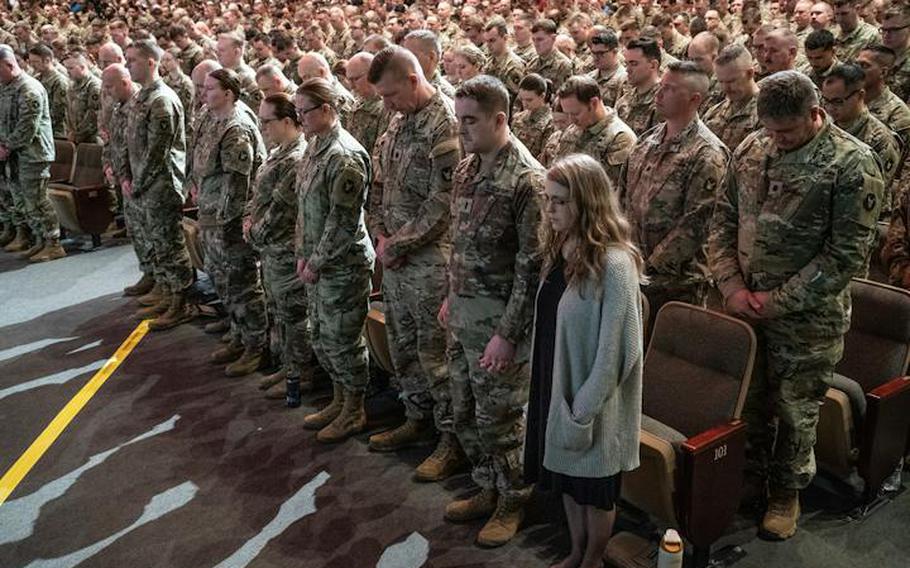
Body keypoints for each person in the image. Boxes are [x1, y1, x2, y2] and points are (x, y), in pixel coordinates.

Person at [709, 70, 884, 540]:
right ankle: (749, 480)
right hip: (745, 305)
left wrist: (776, 300)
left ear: (815, 113)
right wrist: (730, 285)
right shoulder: (751, 148)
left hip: (808, 319)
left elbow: (845, 256)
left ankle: (786, 492)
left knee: (794, 409)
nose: (777, 140)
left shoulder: (852, 164)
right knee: (748, 401)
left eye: (786, 132)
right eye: (770, 129)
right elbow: (723, 218)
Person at [527, 153, 644, 568]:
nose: (550, 209)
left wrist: (582, 410)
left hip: (593, 402)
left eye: (560, 201)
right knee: (567, 482)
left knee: (595, 491)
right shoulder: (561, 249)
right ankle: (576, 550)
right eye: (548, 199)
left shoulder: (615, 263)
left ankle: (592, 559)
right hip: (557, 386)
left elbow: (618, 351)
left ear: (588, 202)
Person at [441, 75, 544, 548]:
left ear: (500, 119)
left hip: (500, 325)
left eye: (470, 121)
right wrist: (450, 295)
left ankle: (514, 499)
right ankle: (487, 486)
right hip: (464, 313)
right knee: (464, 408)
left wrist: (509, 333)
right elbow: (459, 242)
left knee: (500, 421)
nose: (461, 129)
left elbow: (532, 267)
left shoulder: (527, 181)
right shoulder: (468, 168)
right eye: (459, 119)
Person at [367, 46, 466, 479]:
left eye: (390, 95)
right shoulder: (398, 118)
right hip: (396, 257)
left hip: (430, 262)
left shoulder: (445, 123)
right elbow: (379, 181)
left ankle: (450, 441)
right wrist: (379, 232)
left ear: (413, 79)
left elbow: (444, 203)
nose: (386, 104)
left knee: (435, 355)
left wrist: (399, 243)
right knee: (403, 346)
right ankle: (416, 418)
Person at [294, 78, 375, 442]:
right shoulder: (314, 148)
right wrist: (301, 253)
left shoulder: (343, 155)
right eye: (296, 112)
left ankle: (354, 409)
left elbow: (341, 222)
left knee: (343, 340)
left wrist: (316, 261)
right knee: (324, 337)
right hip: (317, 261)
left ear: (327, 110)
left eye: (304, 112)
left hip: (342, 263)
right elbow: (304, 209)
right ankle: (340, 398)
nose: (300, 119)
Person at [620, 61, 729, 319]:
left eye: (669, 89)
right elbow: (623, 198)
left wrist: (646, 269)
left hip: (676, 287)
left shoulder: (707, 154)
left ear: (694, 98)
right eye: (661, 86)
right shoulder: (647, 141)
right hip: (633, 272)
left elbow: (695, 226)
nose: (658, 94)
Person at [190, 68, 268, 371]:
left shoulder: (236, 128)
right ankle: (237, 333)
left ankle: (255, 345)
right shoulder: (211, 119)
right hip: (210, 214)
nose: (204, 93)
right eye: (204, 88)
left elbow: (239, 185)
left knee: (242, 284)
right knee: (222, 280)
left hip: (229, 221)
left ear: (228, 93)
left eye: (210, 89)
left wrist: (227, 224)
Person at [244, 93, 313, 399]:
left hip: (285, 248)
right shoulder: (278, 152)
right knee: (280, 311)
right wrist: (249, 221)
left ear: (288, 121)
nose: (263, 127)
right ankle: (288, 366)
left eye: (267, 121)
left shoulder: (297, 158)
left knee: (295, 314)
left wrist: (255, 232)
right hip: (271, 248)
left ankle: (303, 372)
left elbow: (281, 210)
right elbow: (258, 196)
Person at [123, 40, 194, 330]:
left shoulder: (162, 99)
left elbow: (157, 151)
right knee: (156, 242)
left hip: (160, 184)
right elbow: (132, 144)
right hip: (144, 184)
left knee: (169, 244)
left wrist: (138, 181)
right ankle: (166, 291)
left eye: (132, 61)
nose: (128, 66)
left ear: (151, 62)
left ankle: (181, 302)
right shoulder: (142, 97)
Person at [0, 44, 63, 262]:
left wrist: (6, 146)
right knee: (24, 200)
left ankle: (53, 243)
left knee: (37, 199)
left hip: (34, 154)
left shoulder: (29, 89)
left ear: (9, 64)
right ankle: (39, 240)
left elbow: (28, 126)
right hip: (16, 153)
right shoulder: (7, 86)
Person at [553, 75, 637, 188]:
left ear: (593, 103)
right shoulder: (573, 130)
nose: (571, 120)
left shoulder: (620, 139)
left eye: (575, 114)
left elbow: (607, 189)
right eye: (567, 114)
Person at [704, 43, 761, 151]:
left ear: (750, 74)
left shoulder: (764, 115)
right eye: (721, 81)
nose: (726, 88)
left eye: (732, 81)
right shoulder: (714, 113)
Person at [615, 39, 661, 136]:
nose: (627, 70)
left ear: (653, 65)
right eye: (626, 64)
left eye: (634, 64)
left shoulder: (664, 101)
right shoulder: (624, 101)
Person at [512, 73, 554, 162]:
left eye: (529, 100)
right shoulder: (518, 118)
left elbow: (545, 158)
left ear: (542, 96)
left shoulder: (550, 123)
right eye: (522, 99)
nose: (525, 104)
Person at [586, 30, 627, 109]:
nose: (596, 57)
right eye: (593, 53)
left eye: (601, 53)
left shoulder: (623, 79)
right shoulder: (589, 78)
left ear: (614, 52)